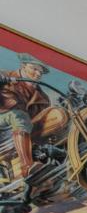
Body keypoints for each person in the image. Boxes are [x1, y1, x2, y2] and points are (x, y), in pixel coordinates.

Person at [1, 54, 50, 183]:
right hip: (3, 119)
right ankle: (27, 166)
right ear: (23, 66)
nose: (38, 73)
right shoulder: (5, 75)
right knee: (19, 115)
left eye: (41, 71)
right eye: (34, 69)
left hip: (23, 130)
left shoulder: (43, 98)